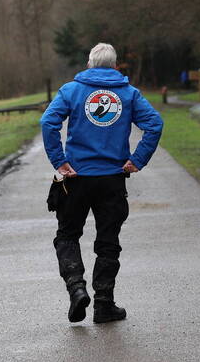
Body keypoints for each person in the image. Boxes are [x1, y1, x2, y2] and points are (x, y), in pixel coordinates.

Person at [41, 43, 164, 324]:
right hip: (112, 179)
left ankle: (76, 288)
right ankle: (104, 304)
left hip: (76, 178)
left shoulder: (72, 90)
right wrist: (137, 160)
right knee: (108, 242)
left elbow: (49, 122)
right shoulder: (129, 94)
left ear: (89, 63)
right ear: (115, 65)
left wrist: (59, 161)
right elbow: (154, 124)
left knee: (68, 235)